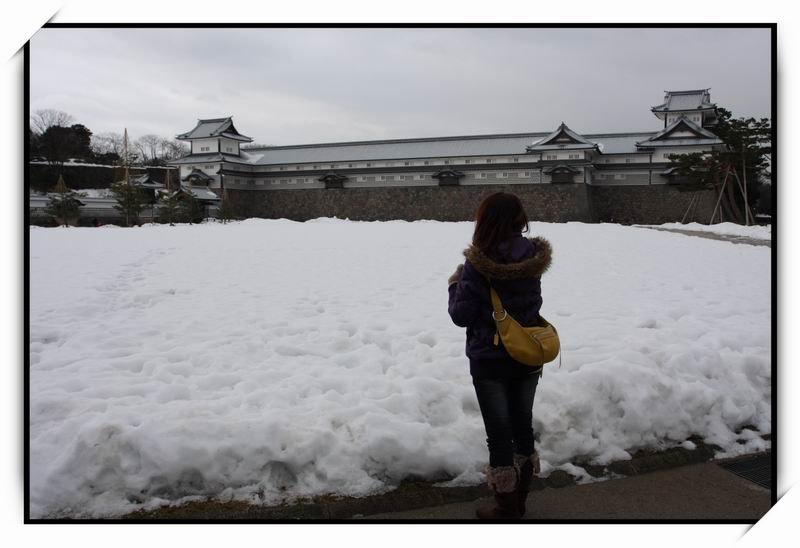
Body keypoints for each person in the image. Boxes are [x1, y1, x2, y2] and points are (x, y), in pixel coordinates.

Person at [447, 192, 552, 519]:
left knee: (499, 433)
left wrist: (455, 284)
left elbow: (461, 315)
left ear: (486, 221)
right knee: (522, 426)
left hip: (490, 358)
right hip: (527, 352)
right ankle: (518, 503)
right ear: (519, 219)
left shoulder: (479, 263)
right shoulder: (532, 258)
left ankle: (506, 510)